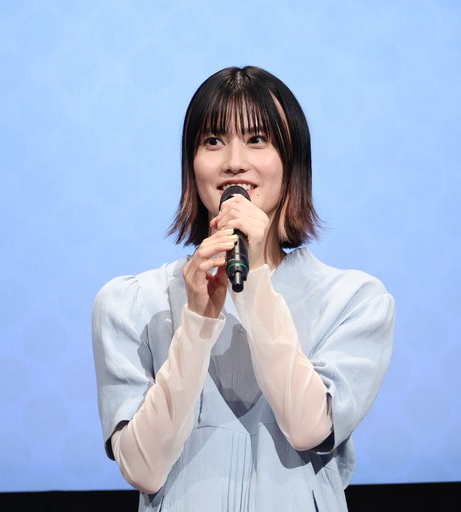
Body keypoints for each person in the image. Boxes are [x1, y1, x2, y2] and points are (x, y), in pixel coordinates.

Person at [92, 65, 395, 511]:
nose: (234, 161)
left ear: (291, 162)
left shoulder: (353, 301)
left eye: (257, 139)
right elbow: (143, 467)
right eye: (213, 141)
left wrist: (253, 284)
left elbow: (308, 427)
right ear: (191, 164)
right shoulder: (131, 304)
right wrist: (197, 322)